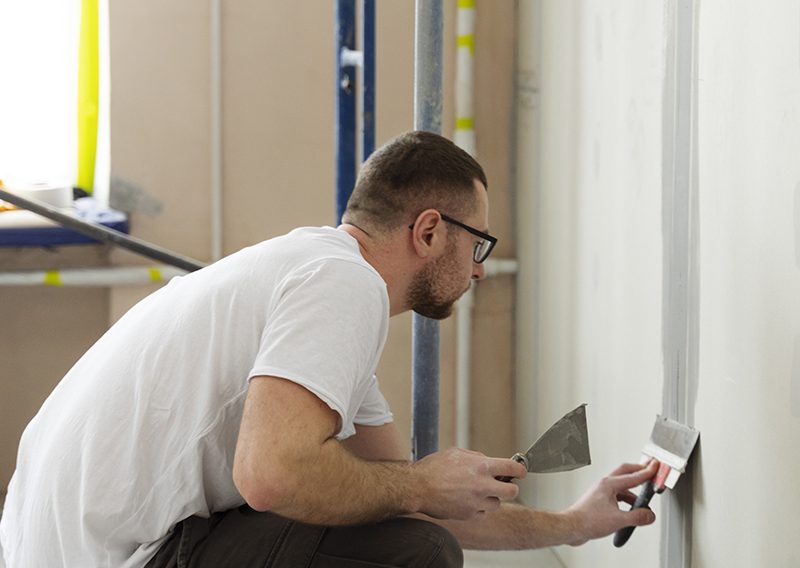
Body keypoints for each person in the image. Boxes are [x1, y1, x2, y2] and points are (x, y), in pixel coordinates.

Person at [0, 131, 657, 568]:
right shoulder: (344, 283)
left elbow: (410, 500)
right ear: (429, 231)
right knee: (414, 555)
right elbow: (272, 475)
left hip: (67, 548)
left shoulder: (313, 279)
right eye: (477, 244)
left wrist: (575, 523)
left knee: (402, 527)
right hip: (117, 557)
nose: (480, 268)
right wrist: (422, 481)